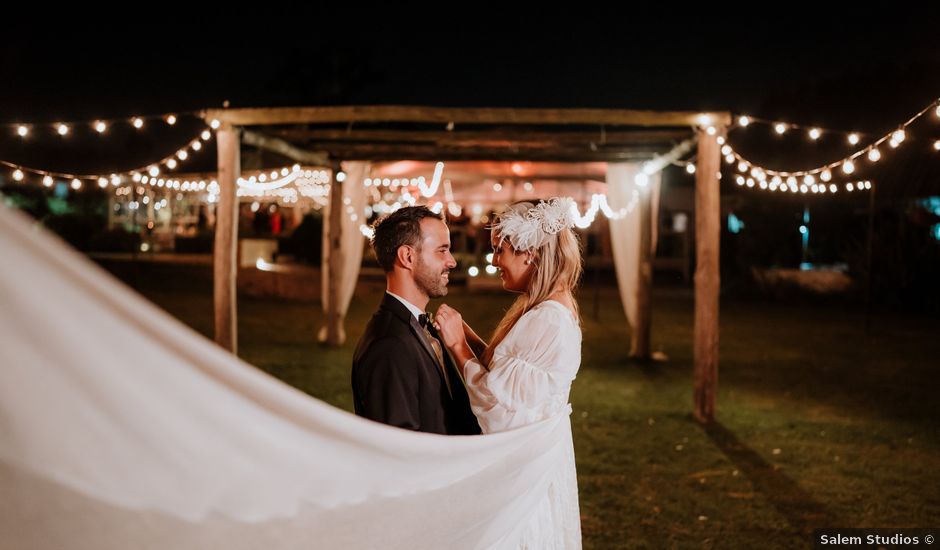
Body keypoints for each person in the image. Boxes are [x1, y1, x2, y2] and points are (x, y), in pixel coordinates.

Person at [434, 197, 584, 548]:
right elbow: (513, 376)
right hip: (535, 459)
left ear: (529, 253)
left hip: (525, 468)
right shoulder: (549, 308)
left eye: (500, 249)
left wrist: (457, 347)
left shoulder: (548, 317)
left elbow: (501, 406)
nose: (495, 259)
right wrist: (469, 335)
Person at [351, 206, 480, 435]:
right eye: (442, 251)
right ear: (407, 256)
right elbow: (400, 449)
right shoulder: (389, 346)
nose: (451, 262)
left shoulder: (416, 326)